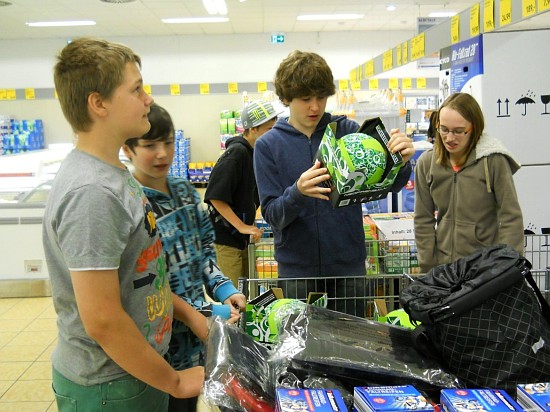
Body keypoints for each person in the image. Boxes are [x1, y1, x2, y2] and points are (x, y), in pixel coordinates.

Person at [43, 37, 207, 411]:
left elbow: (143, 275)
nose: (147, 98)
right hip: (110, 385)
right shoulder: (92, 193)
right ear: (98, 103)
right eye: (136, 89)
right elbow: (101, 319)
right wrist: (176, 381)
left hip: (136, 370)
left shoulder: (114, 175)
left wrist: (190, 315)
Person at [253, 50, 415, 317]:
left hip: (348, 267)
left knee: (349, 345)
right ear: (286, 99)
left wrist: (400, 162)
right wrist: (298, 192)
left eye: (321, 98)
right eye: (305, 99)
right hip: (297, 271)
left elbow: (387, 186)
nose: (315, 107)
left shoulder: (347, 131)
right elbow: (272, 215)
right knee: (299, 349)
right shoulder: (268, 146)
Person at [123, 103, 246, 412]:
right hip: (158, 346)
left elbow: (204, 253)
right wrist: (211, 311)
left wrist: (225, 289)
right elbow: (147, 286)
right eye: (150, 145)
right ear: (129, 149)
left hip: (197, 340)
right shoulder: (131, 204)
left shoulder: (186, 193)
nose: (162, 153)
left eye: (167, 143)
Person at [414, 92, 524, 273]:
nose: (449, 138)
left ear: (474, 128)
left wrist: (506, 269)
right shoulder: (427, 163)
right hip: (444, 269)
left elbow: (511, 217)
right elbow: (422, 219)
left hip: (484, 269)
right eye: (444, 129)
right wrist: (428, 266)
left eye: (458, 131)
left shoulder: (493, 161)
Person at [204, 100, 280, 286]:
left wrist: (250, 225)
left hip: (241, 239)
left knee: (246, 291)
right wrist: (241, 226)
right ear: (252, 129)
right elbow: (215, 196)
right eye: (269, 129)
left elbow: (245, 197)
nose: (274, 135)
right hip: (227, 241)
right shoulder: (237, 153)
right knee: (234, 295)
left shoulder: (255, 154)